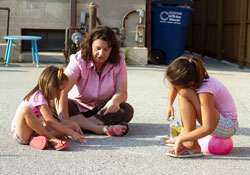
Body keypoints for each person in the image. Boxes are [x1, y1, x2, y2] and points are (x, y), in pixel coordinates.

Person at [56, 25, 134, 136]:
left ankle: (82, 125)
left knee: (126, 110)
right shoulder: (79, 59)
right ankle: (98, 128)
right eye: (97, 48)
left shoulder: (119, 60)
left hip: (101, 110)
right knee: (60, 104)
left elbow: (122, 92)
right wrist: (64, 119)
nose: (101, 54)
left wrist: (115, 100)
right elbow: (62, 89)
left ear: (112, 50)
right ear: (90, 45)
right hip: (77, 108)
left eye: (106, 49)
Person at [164, 54, 238, 158]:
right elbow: (174, 86)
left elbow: (207, 127)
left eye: (177, 86)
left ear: (191, 84)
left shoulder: (205, 90)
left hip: (228, 126)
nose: (174, 88)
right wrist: (169, 104)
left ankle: (191, 144)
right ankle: (190, 140)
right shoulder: (194, 76)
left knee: (185, 93)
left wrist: (181, 138)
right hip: (218, 121)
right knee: (184, 92)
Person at [11, 66, 85, 151]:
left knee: (70, 125)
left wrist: (68, 129)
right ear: (52, 86)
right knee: (26, 110)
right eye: (60, 90)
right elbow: (51, 122)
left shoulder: (45, 99)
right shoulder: (38, 96)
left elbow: (46, 122)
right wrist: (72, 133)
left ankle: (37, 140)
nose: (59, 94)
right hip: (21, 133)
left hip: (34, 132)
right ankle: (50, 138)